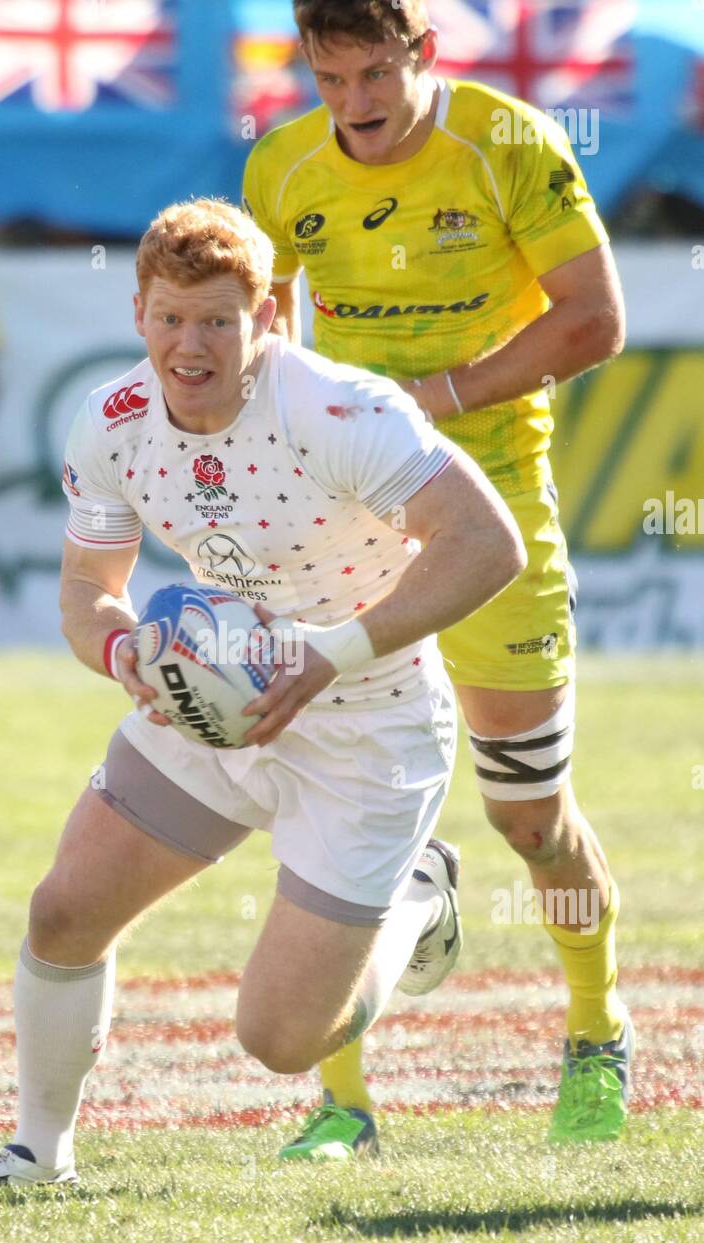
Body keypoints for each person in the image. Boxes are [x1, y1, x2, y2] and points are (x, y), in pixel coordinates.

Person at [0, 198, 525, 1194]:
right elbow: (87, 592)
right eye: (169, 318)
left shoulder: (342, 408)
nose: (189, 345)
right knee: (65, 909)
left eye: (217, 319)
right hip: (216, 693)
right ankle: (39, 1154)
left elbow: (486, 544)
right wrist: (125, 657)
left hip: (366, 720)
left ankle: (420, 899)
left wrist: (330, 653)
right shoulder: (112, 419)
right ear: (137, 314)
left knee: (281, 1038)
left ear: (270, 315)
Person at [242, 0, 631, 1154]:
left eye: (373, 74)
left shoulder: (509, 145)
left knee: (531, 815)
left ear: (424, 54)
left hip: (492, 509)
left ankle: (596, 1031)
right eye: (329, 79)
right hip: (342, 516)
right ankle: (342, 1103)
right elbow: (259, 319)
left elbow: (597, 320)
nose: (354, 105)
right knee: (332, 815)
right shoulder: (282, 164)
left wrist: (443, 400)